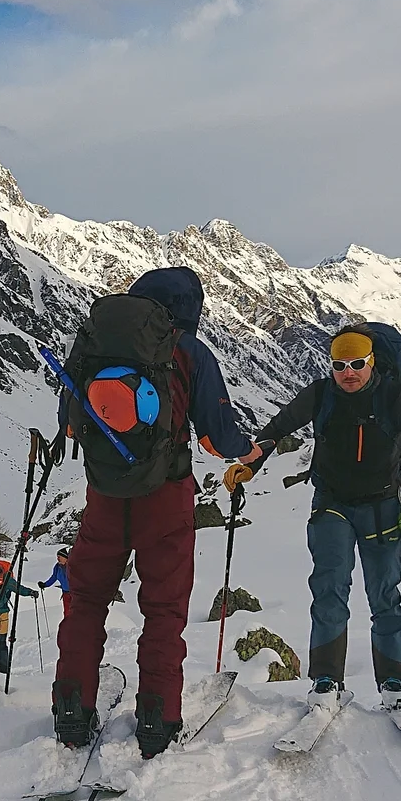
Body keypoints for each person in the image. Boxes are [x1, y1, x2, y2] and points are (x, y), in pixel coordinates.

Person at [53, 265, 260, 759]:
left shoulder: (96, 346)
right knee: (163, 610)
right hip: (165, 497)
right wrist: (247, 450)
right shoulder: (188, 350)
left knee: (85, 599)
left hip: (104, 493)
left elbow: (69, 425)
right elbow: (215, 437)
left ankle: (71, 710)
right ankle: (158, 717)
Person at [230, 325, 401, 712]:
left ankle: (393, 682)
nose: (348, 372)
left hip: (384, 507)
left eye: (357, 364)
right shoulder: (321, 394)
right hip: (332, 505)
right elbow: (276, 429)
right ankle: (326, 680)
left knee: (385, 596)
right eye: (339, 365)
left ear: (371, 361)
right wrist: (251, 464)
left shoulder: (394, 396)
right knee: (329, 590)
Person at [38, 549, 71, 613]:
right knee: (67, 613)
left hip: (76, 595)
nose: (57, 559)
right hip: (66, 594)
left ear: (65, 557)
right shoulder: (57, 567)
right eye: (57, 557)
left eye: (59, 557)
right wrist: (45, 585)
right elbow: (53, 578)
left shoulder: (72, 566)